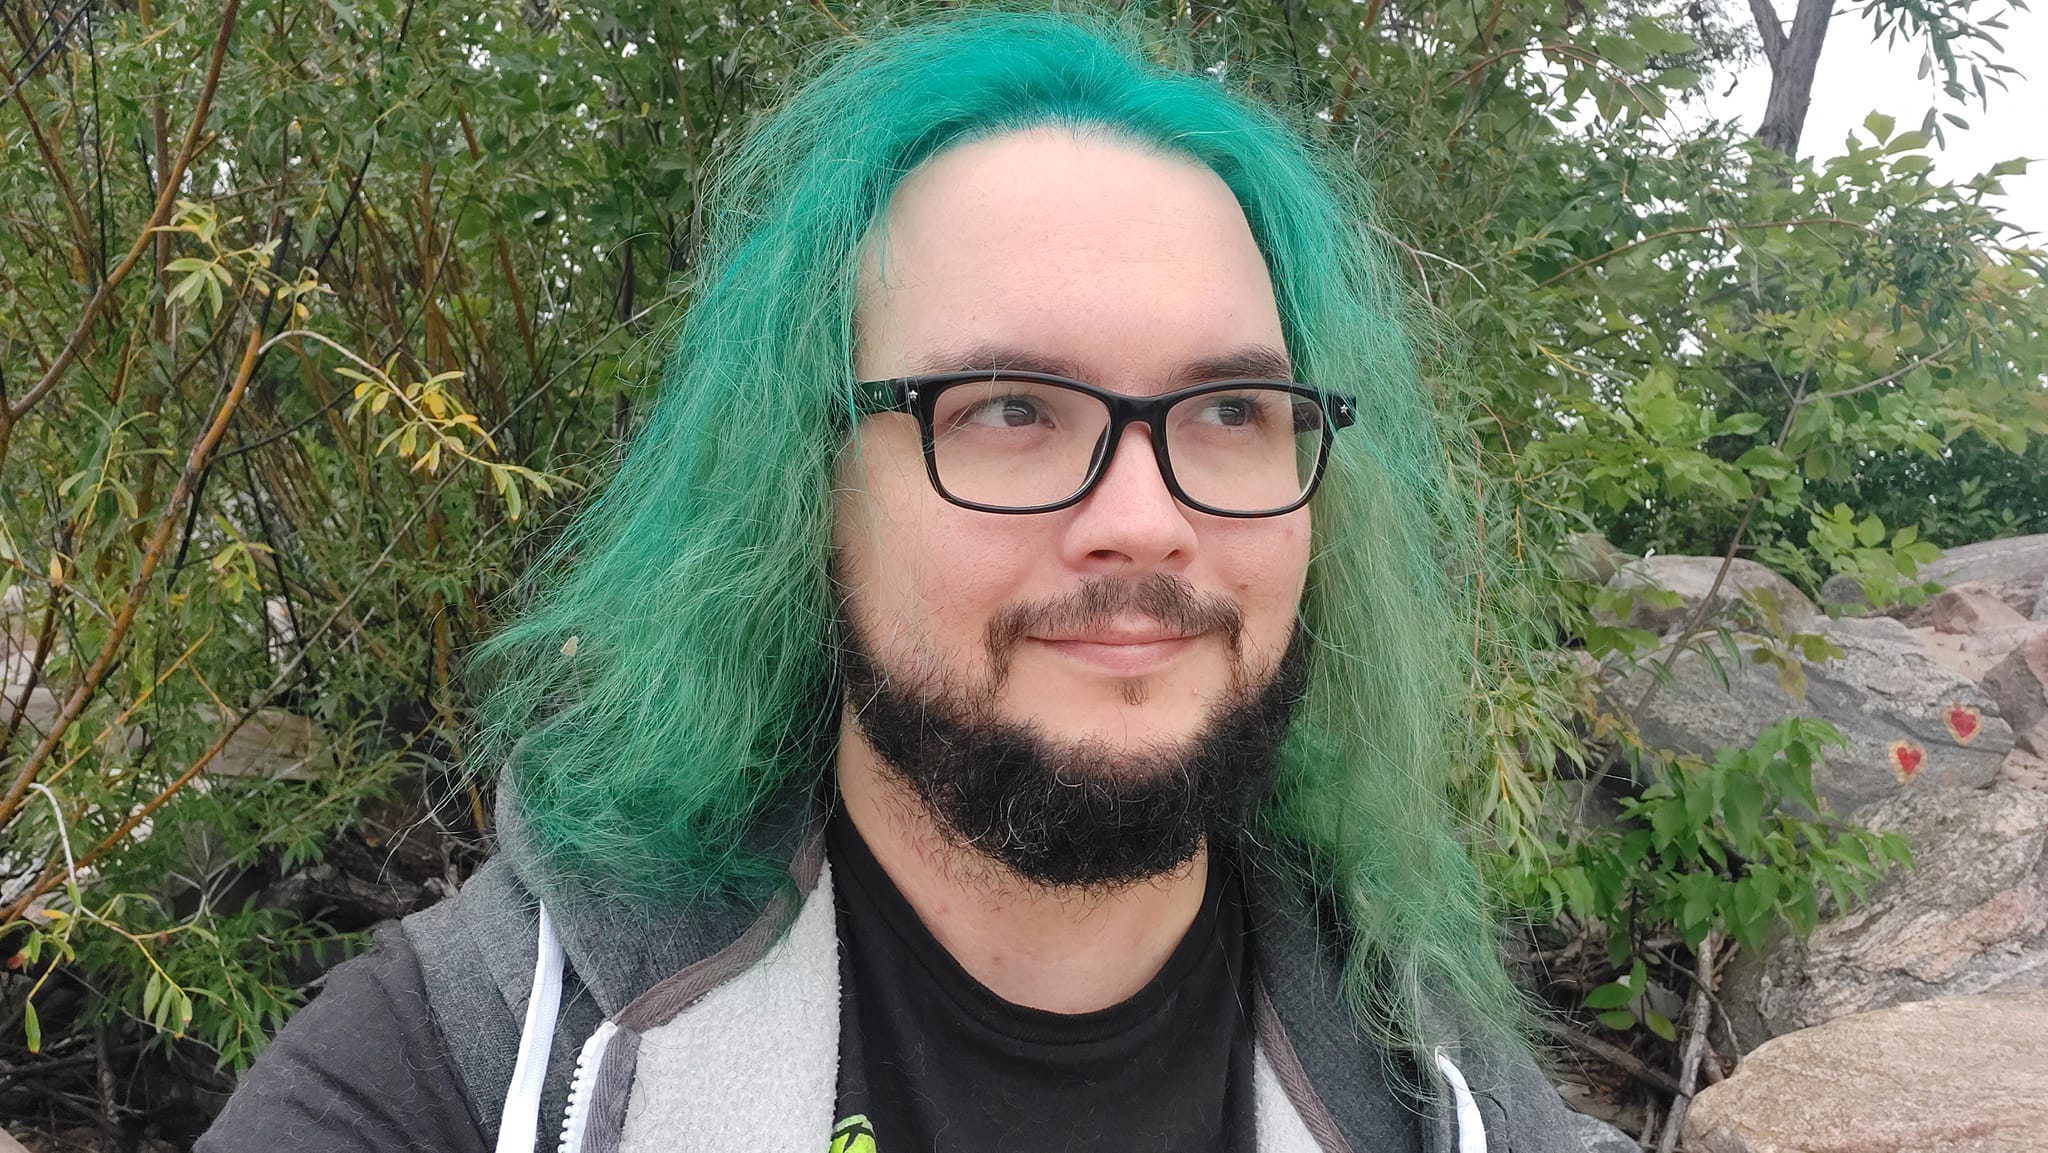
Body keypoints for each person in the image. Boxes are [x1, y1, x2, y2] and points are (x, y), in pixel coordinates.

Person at [199, 12, 1593, 1153]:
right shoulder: (480, 1069)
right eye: (1005, 408)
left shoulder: (1441, 1092)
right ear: (804, 494)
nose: (1144, 519)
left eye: (1230, 411)